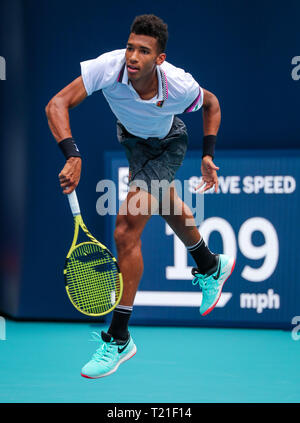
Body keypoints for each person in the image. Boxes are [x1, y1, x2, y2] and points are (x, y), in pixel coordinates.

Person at [46, 14, 235, 379]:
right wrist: (72, 154)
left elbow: (211, 104)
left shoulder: (178, 85)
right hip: (132, 140)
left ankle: (119, 337)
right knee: (163, 203)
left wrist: (208, 155)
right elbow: (56, 104)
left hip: (167, 145)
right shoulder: (109, 67)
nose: (132, 56)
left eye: (143, 51)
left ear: (159, 59)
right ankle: (211, 265)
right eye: (130, 46)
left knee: (125, 229)